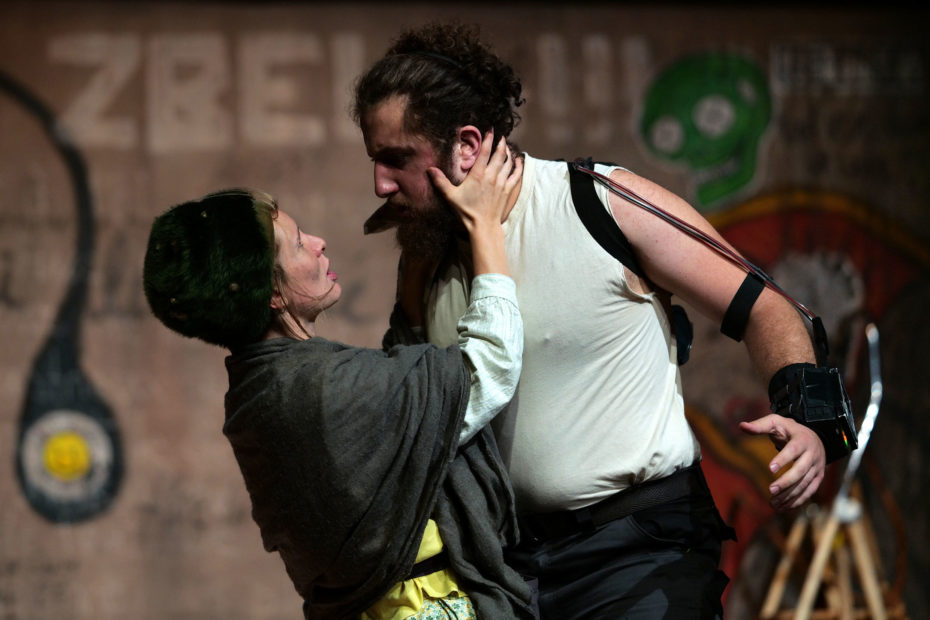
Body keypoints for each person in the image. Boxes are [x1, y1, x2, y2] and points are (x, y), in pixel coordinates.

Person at [352, 21, 834, 618]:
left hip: (640, 553)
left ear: (468, 144)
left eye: (397, 159)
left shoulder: (599, 202)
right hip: (509, 571)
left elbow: (767, 306)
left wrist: (809, 421)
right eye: (375, 160)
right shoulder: (424, 258)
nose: (380, 183)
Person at [142, 138, 538, 619]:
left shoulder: (259, 391)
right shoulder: (315, 388)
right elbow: (487, 367)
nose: (318, 242)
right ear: (273, 295)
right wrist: (485, 227)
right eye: (297, 243)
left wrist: (417, 262)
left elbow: (402, 396)